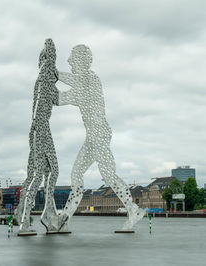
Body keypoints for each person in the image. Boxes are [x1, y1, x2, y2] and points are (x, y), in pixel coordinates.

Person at [57, 45, 144, 231]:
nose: (69, 61)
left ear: (81, 60)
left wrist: (52, 74)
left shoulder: (90, 81)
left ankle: (132, 209)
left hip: (100, 134)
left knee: (108, 175)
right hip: (93, 136)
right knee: (77, 174)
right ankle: (65, 218)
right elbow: (65, 91)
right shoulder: (84, 82)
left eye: (72, 58)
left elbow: (60, 98)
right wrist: (52, 75)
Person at [15, 39, 59, 233]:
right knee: (43, 173)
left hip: (38, 129)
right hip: (41, 128)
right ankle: (28, 221)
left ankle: (29, 215)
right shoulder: (46, 76)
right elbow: (42, 103)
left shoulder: (43, 79)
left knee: (41, 173)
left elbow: (58, 99)